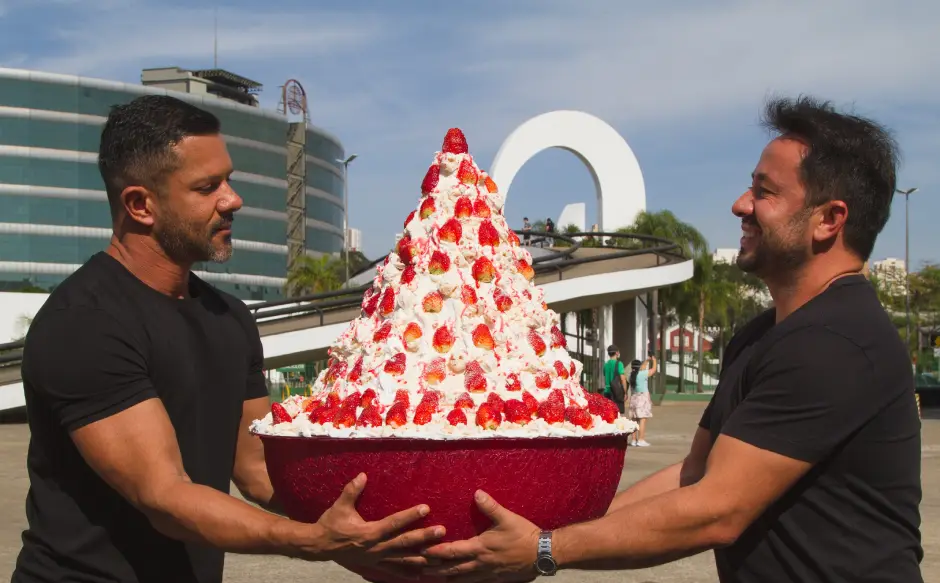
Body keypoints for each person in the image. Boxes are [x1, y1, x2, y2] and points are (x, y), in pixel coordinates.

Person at [420, 96, 923, 582]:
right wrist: (546, 535)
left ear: (829, 219)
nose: (740, 204)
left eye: (765, 192)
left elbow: (716, 510)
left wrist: (544, 551)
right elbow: (695, 473)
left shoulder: (836, 343)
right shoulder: (762, 336)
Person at [12, 95, 442, 583]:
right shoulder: (85, 324)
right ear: (140, 204)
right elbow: (165, 496)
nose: (232, 199)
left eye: (229, 179)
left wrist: (381, 533)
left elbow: (259, 470)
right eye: (207, 186)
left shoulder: (229, 317)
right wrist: (312, 541)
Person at [627, 357, 655, 447]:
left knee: (634, 420)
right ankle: (641, 439)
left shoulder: (630, 375)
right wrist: (654, 360)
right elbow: (653, 370)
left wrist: (646, 360)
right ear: (639, 367)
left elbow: (641, 369)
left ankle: (634, 440)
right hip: (642, 397)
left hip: (633, 398)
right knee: (643, 419)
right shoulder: (642, 374)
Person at [602, 345, 626, 415]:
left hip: (607, 392)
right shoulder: (619, 364)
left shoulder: (606, 365)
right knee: (616, 415)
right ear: (617, 353)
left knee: (609, 414)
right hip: (616, 393)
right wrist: (625, 392)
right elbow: (623, 379)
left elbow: (605, 375)